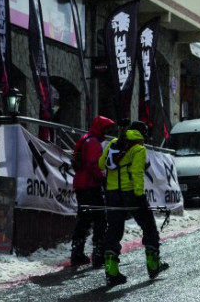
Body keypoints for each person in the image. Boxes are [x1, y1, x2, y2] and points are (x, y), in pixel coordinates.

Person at [99, 121, 168, 286]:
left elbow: (101, 164)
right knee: (149, 227)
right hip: (131, 193)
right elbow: (137, 172)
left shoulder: (113, 144)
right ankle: (153, 265)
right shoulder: (138, 149)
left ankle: (111, 271)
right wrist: (138, 195)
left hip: (112, 193)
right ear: (142, 134)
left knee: (114, 229)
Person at [70, 115, 115, 268]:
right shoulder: (94, 143)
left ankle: (77, 252)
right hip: (90, 185)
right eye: (106, 129)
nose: (106, 133)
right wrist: (103, 180)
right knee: (100, 220)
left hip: (80, 184)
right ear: (100, 128)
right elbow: (94, 165)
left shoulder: (85, 138)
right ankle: (98, 253)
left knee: (84, 219)